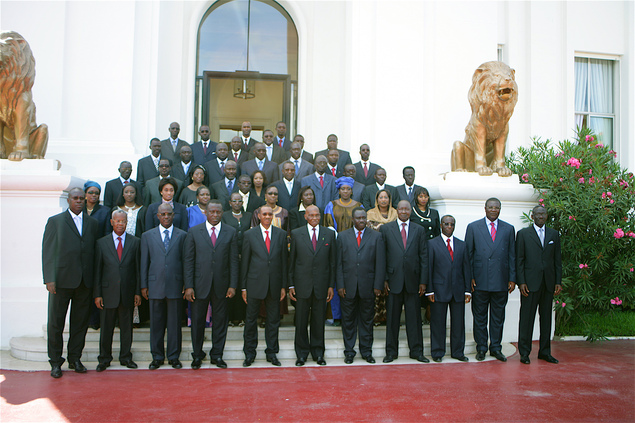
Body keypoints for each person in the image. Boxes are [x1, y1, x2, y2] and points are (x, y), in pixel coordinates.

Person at [42, 187, 99, 378]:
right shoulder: (55, 222)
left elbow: (94, 253)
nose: (79, 201)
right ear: (68, 200)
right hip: (61, 282)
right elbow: (48, 252)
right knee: (56, 323)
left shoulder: (93, 223)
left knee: (80, 323)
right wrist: (49, 279)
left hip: (84, 282)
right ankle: (56, 362)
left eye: (82, 198)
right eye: (75, 198)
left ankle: (75, 358)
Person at [184, 201, 239, 369]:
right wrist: (189, 285)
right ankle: (197, 355)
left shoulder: (230, 232)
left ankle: (217, 355)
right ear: (205, 213)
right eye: (212, 212)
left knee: (221, 321)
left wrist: (233, 285)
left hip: (222, 285)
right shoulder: (194, 232)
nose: (215, 215)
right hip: (199, 285)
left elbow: (233, 261)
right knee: (198, 322)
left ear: (222, 213)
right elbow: (189, 261)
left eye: (218, 212)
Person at [465, 197, 516, 362]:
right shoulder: (473, 227)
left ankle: (495, 347)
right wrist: (470, 277)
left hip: (501, 280)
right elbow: (468, 256)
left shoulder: (508, 229)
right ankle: (481, 348)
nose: (493, 210)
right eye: (491, 207)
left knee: (497, 317)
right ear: (485, 208)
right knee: (479, 317)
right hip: (479, 280)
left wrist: (512, 278)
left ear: (500, 209)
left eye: (497, 207)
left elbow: (512, 256)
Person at [381, 200, 429, 364]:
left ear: (410, 211)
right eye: (400, 209)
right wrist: (385, 279)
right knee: (392, 319)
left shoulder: (419, 230)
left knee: (414, 319)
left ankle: (417, 351)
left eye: (406, 209)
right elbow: (383, 257)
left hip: (413, 281)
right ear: (396, 210)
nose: (403, 211)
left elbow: (424, 256)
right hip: (393, 280)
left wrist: (423, 281)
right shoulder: (387, 229)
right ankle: (390, 352)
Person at [140, 203, 187, 370]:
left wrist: (186, 284)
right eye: (163, 214)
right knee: (156, 324)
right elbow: (144, 262)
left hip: (175, 284)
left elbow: (185, 262)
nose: (166, 217)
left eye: (169, 214)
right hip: (155, 285)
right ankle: (157, 357)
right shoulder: (147, 236)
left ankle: (174, 356)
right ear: (158, 216)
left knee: (174, 324)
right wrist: (144, 285)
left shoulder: (182, 235)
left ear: (173, 215)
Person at [93, 210, 142, 372]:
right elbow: (98, 271)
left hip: (127, 292)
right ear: (111, 222)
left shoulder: (135, 242)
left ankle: (126, 357)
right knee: (106, 327)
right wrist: (98, 294)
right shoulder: (101, 243)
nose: (120, 224)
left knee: (127, 327)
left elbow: (137, 270)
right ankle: (104, 359)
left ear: (127, 223)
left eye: (123, 221)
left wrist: (137, 292)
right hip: (108, 293)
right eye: (117, 221)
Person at [288, 205, 336, 366]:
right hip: (302, 285)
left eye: (317, 215)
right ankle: (301, 354)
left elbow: (332, 263)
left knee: (318, 321)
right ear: (305, 216)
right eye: (311, 215)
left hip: (321, 285)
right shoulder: (296, 234)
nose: (315, 218)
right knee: (301, 321)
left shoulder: (329, 234)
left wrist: (331, 285)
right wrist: (291, 285)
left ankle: (318, 353)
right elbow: (292, 262)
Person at [336, 207, 385, 364]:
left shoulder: (376, 237)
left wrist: (378, 285)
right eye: (358, 218)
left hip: (368, 286)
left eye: (364, 218)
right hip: (347, 286)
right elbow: (338, 264)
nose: (361, 221)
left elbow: (380, 263)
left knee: (367, 321)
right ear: (352, 219)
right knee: (348, 321)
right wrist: (340, 285)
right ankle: (349, 352)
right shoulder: (342, 237)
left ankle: (366, 352)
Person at [241, 206, 288, 367]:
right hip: (254, 284)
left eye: (270, 214)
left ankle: (272, 353)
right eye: (265, 214)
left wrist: (283, 286)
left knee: (273, 320)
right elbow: (245, 262)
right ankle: (249, 353)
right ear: (259, 216)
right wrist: (243, 288)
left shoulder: (281, 234)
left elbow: (284, 262)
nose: (267, 216)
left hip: (274, 285)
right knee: (251, 320)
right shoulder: (249, 235)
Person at [516, 205, 562, 365]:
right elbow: (519, 260)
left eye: (543, 214)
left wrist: (558, 281)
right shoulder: (523, 234)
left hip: (548, 284)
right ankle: (524, 352)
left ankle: (545, 352)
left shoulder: (554, 234)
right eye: (538, 214)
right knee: (526, 319)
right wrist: (521, 282)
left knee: (546, 319)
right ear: (532, 216)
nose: (541, 216)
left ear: (547, 216)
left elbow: (557, 260)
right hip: (529, 284)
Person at [426, 215, 472, 363]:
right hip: (439, 290)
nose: (449, 227)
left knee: (458, 324)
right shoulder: (432, 244)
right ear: (441, 225)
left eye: (452, 224)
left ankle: (458, 352)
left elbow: (466, 269)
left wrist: (467, 290)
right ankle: (438, 352)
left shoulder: (462, 245)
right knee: (438, 323)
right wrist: (430, 290)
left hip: (458, 291)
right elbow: (429, 269)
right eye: (446, 224)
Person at [323, 176, 361, 327]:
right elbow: (329, 227)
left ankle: (352, 315)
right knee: (336, 279)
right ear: (338, 190)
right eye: (343, 189)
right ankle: (336, 315)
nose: (345, 191)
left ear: (352, 191)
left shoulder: (359, 206)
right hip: (337, 247)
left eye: (348, 189)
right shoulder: (331, 205)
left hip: (355, 248)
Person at [366, 189, 398, 326]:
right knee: (378, 284)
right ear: (377, 199)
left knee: (391, 286)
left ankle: (390, 317)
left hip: (393, 253)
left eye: (386, 197)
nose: (383, 200)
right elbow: (369, 231)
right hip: (375, 253)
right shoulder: (370, 213)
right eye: (381, 197)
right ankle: (377, 317)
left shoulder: (396, 213)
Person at [83, 181, 111, 330]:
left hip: (98, 253)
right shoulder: (79, 209)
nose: (94, 195)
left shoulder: (104, 211)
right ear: (85, 194)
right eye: (91, 192)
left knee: (96, 287)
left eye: (96, 193)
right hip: (82, 255)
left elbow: (107, 233)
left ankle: (95, 320)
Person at [222, 192, 253, 326]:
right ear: (230, 203)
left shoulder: (249, 216)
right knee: (231, 286)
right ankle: (231, 317)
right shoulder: (224, 216)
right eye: (234, 201)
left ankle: (243, 317)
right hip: (229, 257)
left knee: (244, 287)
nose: (237, 203)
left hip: (247, 257)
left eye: (239, 201)